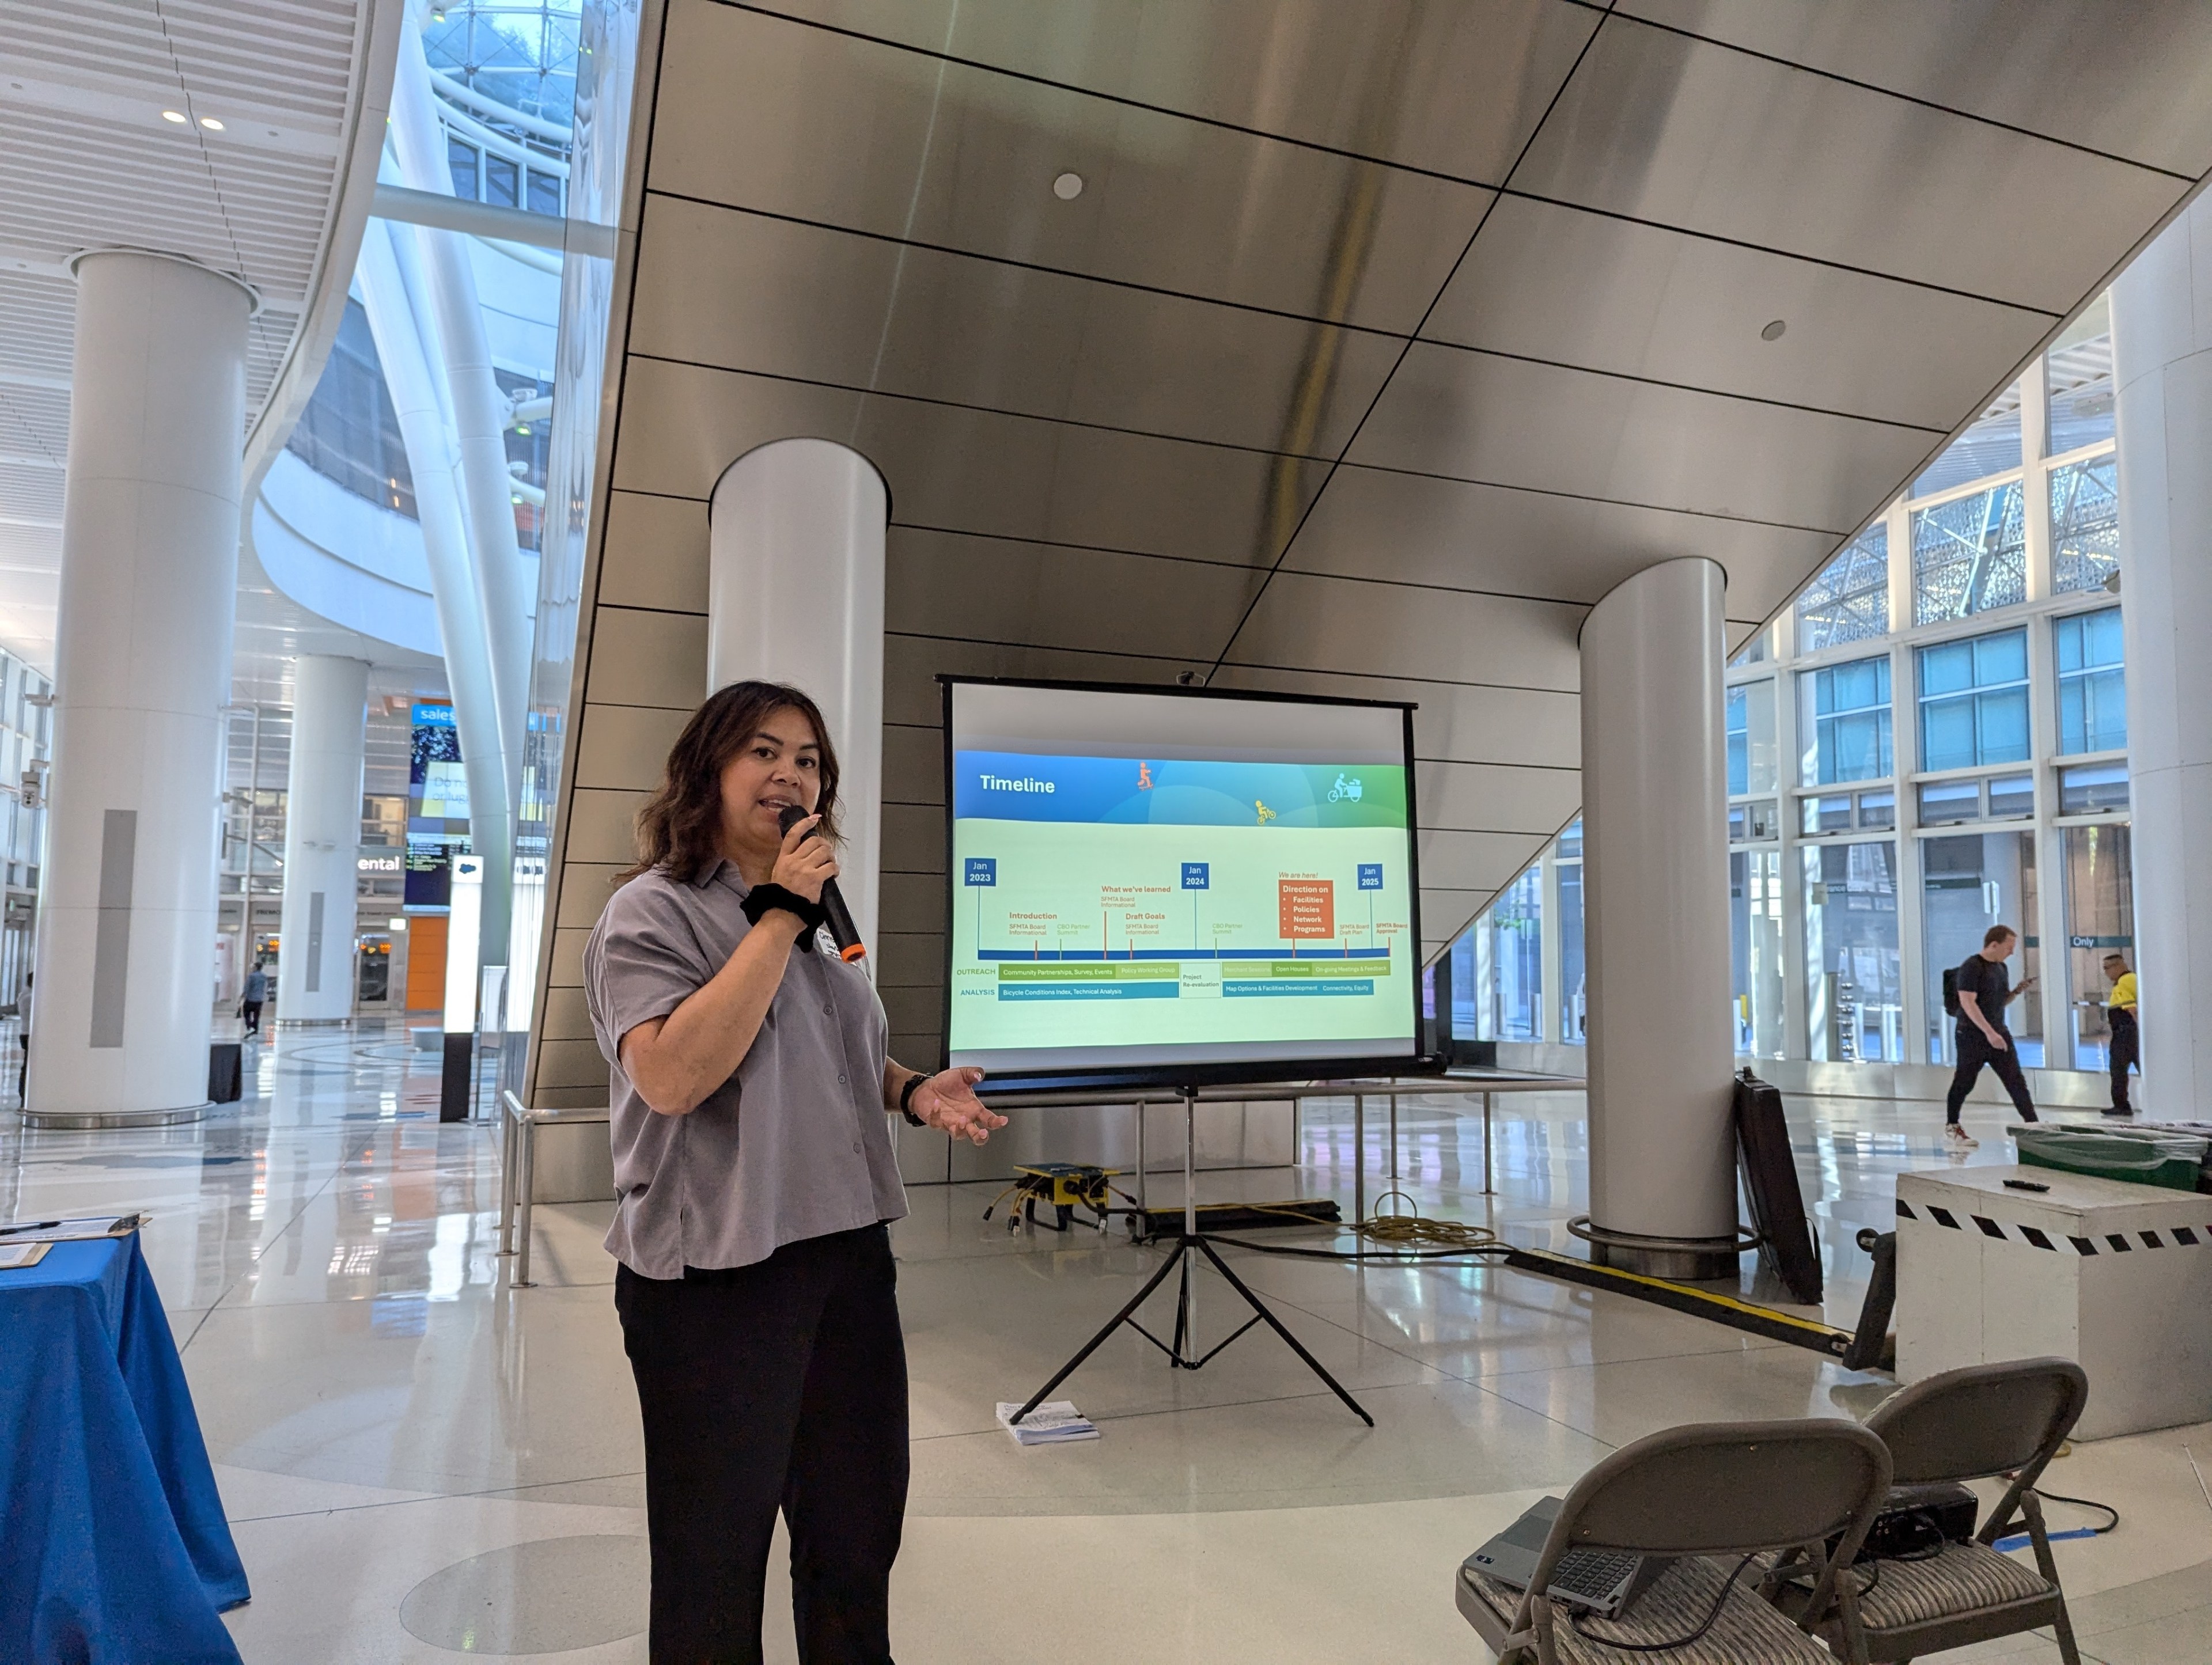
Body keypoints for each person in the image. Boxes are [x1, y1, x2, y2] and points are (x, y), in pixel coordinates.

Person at [584, 679, 1006, 1664]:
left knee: (857, 1539)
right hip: (717, 1278)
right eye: (763, 751)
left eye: (809, 759)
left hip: (847, 1259)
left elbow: (819, 1056)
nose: (790, 773)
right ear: (709, 772)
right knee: (713, 1565)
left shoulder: (816, 922)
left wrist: (909, 1091)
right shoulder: (654, 913)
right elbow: (676, 1074)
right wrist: (774, 917)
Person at [1945, 924, 2038, 1147]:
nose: (2012, 952)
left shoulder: (2001, 968)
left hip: (1998, 1032)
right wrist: (1988, 1032)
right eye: (2009, 947)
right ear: (1993, 945)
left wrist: (2015, 992)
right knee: (1965, 1081)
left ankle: (2033, 1126)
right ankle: (1952, 1126)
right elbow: (1968, 1003)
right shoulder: (1972, 967)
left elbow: (1999, 1002)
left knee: (2015, 1080)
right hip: (1972, 1035)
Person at [2103, 951, 2139, 1116]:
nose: (2106, 972)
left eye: (2107, 968)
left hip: (2125, 1033)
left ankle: (2121, 1105)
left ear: (2118, 966)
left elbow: (2132, 1010)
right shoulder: (2131, 980)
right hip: (2128, 1033)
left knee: (2118, 1068)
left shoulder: (2124, 982)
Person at [240, 961, 268, 1037]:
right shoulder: (264, 976)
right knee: (257, 1015)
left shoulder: (251, 976)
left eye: (253, 967)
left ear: (256, 968)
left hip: (251, 998)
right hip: (260, 999)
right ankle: (256, 1029)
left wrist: (242, 997)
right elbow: (265, 987)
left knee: (246, 1013)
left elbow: (247, 988)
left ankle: (250, 1026)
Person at [14, 970, 28, 1103]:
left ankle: (24, 1090)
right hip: (28, 1034)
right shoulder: (29, 997)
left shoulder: (24, 995)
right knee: (27, 1064)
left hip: (25, 1033)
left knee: (27, 1063)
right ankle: (24, 1090)